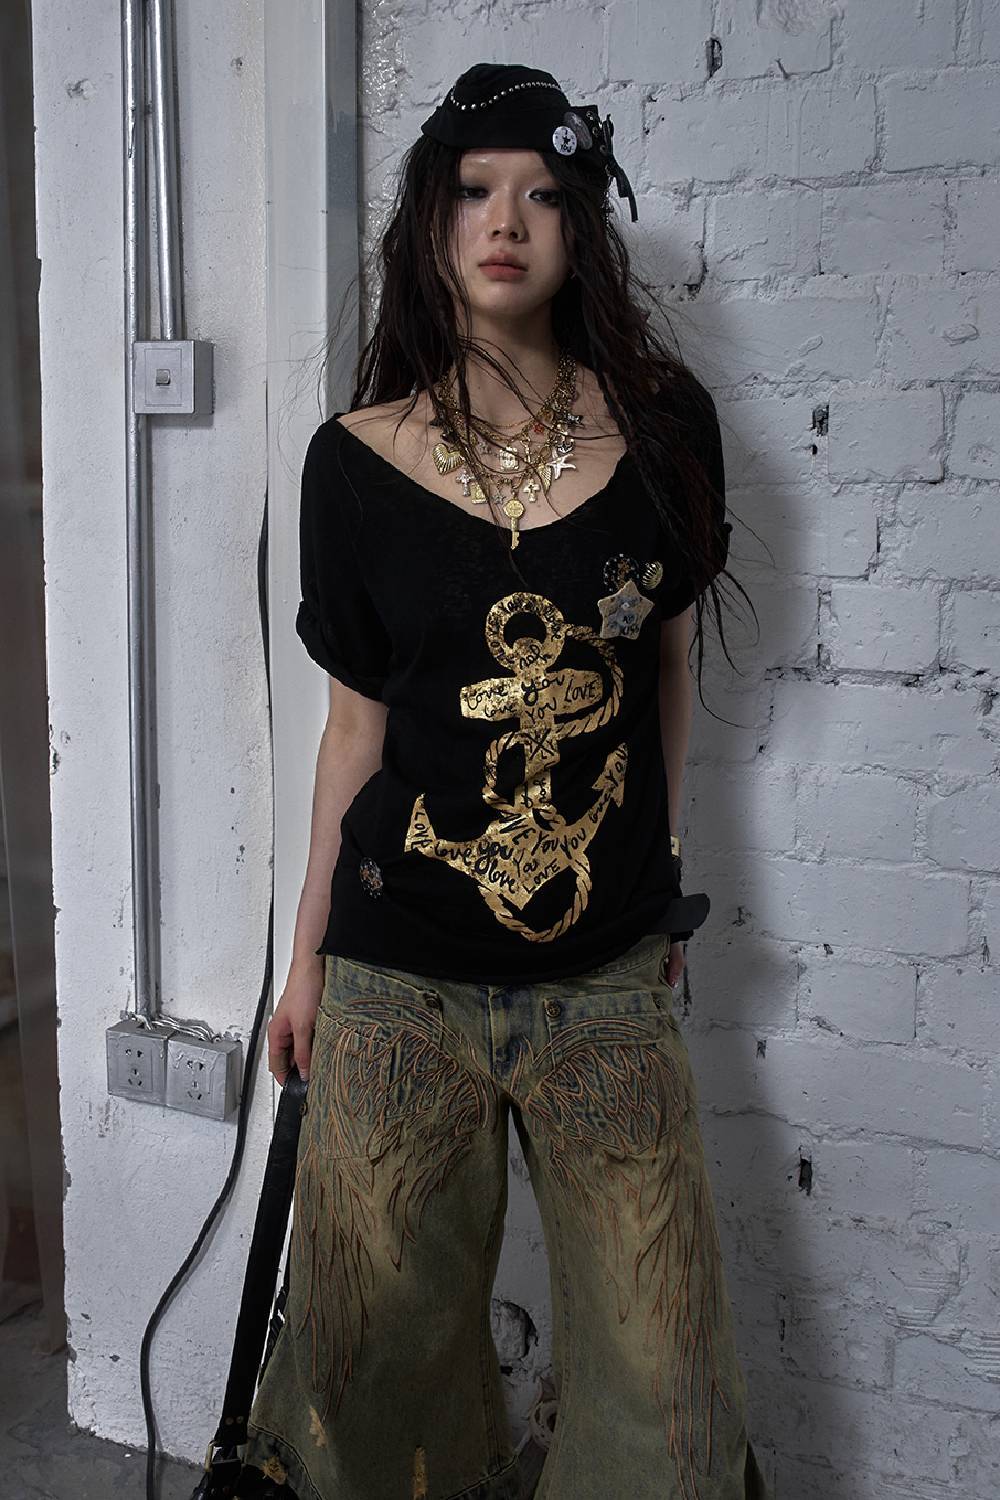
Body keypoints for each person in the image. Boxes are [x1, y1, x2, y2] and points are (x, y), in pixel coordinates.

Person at [238, 61, 767, 1500]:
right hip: (396, 979)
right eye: (475, 192)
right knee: (366, 1368)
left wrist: (660, 883)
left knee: (663, 1384)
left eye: (543, 195)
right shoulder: (353, 465)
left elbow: (665, 669)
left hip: (603, 980)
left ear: (582, 228)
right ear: (432, 222)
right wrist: (306, 963)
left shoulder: (665, 431)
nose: (506, 222)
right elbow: (354, 733)